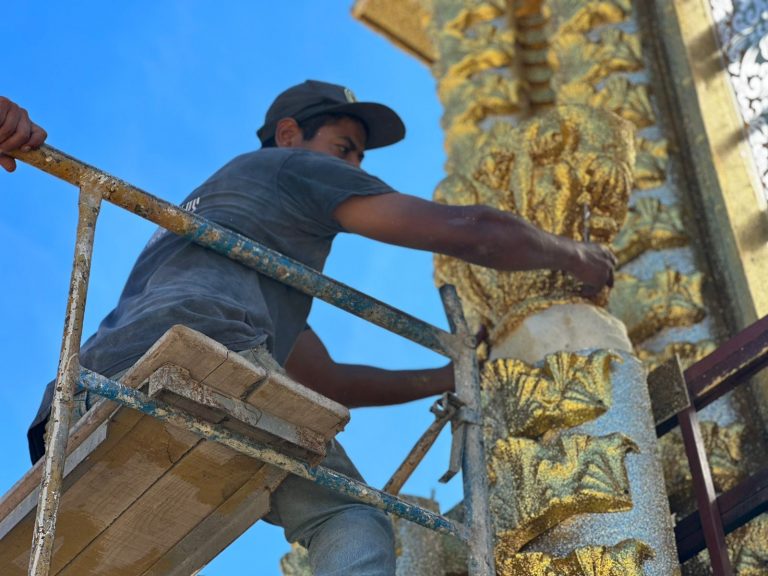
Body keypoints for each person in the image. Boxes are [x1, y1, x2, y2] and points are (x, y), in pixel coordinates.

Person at [1, 82, 616, 576]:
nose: (352, 167)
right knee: (347, 518)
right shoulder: (291, 168)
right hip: (202, 358)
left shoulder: (224, 232)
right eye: (345, 148)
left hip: (79, 393)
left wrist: (447, 374)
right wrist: (572, 256)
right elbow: (467, 228)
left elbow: (323, 380)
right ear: (291, 135)